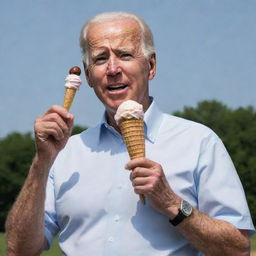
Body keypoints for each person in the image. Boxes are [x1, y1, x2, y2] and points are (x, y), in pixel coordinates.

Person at [6, 11, 255, 256]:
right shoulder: (66, 152)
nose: (113, 68)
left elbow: (237, 249)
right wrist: (42, 162)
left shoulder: (199, 142)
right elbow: (18, 251)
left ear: (151, 65)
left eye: (125, 54)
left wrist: (171, 202)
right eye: (101, 59)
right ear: (89, 74)